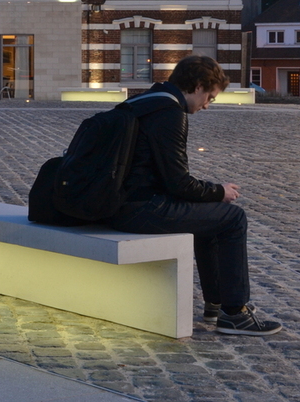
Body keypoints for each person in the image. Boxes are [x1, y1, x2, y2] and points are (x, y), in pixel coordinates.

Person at [108, 55, 282, 336]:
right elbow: (178, 183)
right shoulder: (170, 113)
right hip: (140, 209)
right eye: (210, 97)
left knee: (210, 215)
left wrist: (211, 195)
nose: (207, 105)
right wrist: (219, 191)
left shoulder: (145, 101)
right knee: (233, 218)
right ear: (198, 86)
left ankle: (216, 302)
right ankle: (235, 312)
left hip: (119, 204)